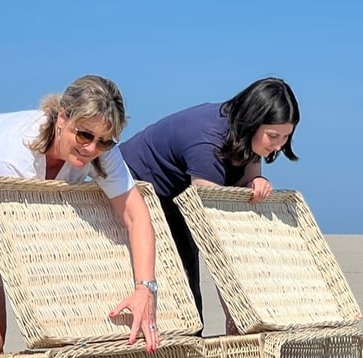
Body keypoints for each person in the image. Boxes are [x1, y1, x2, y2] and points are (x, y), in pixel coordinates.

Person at [0, 75, 159, 356]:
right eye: (84, 135)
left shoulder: (99, 149)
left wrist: (144, 290)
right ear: (62, 117)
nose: (91, 149)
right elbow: (25, 250)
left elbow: (137, 215)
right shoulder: (14, 153)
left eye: (104, 142)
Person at [120, 77, 300, 322]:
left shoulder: (245, 134)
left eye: (285, 137)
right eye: (273, 136)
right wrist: (235, 313)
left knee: (190, 286)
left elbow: (243, 186)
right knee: (181, 281)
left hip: (180, 192)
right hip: (136, 185)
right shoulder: (207, 142)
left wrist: (255, 184)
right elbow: (212, 233)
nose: (279, 146)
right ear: (253, 122)